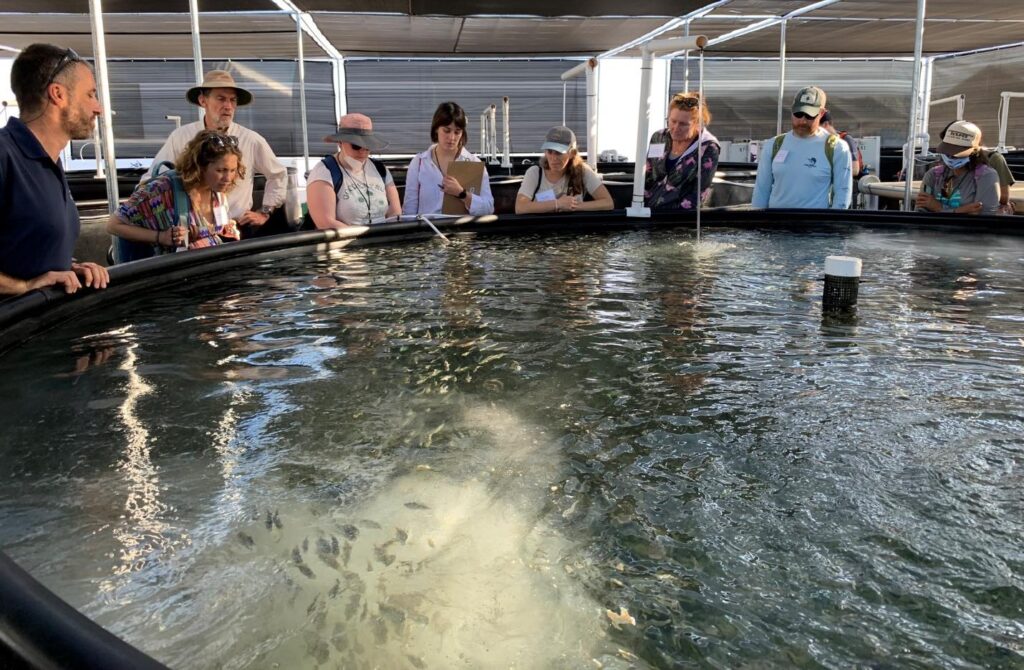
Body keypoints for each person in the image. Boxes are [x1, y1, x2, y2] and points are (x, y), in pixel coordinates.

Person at [0, 43, 109, 296]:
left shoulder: (51, 161)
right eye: (90, 95)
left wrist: (70, 268)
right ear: (58, 94)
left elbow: (22, 248)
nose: (99, 108)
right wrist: (24, 288)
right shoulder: (5, 155)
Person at [143, 70, 286, 233]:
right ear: (203, 100)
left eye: (233, 100)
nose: (228, 106)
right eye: (221, 98)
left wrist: (265, 212)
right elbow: (152, 179)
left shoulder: (250, 139)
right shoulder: (181, 137)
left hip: (237, 229)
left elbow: (278, 175)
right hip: (194, 232)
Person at [107, 130, 244, 250]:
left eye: (233, 170)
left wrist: (225, 228)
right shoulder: (161, 190)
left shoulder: (218, 192)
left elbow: (211, 230)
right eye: (221, 170)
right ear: (200, 166)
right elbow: (113, 225)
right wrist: (160, 237)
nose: (228, 178)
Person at [752, 86, 852, 210]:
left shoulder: (836, 148)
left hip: (814, 227)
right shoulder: (774, 145)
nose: (802, 121)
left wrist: (831, 227)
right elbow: (761, 193)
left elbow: (842, 196)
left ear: (821, 113)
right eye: (798, 114)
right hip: (776, 227)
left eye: (809, 115)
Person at [306, 113, 401, 228]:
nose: (362, 151)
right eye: (356, 145)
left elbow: (395, 213)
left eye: (367, 145)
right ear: (340, 142)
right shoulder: (324, 172)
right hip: (345, 242)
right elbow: (326, 223)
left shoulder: (380, 169)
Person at [402, 102, 494, 216]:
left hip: (462, 231)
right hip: (428, 231)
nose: (452, 137)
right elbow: (409, 212)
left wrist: (462, 194)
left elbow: (489, 208)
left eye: (457, 132)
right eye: (446, 130)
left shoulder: (474, 163)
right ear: (436, 129)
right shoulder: (419, 163)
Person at [644, 92, 720, 211]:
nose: (675, 128)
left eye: (683, 124)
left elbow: (698, 194)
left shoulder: (708, 147)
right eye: (673, 121)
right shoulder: (658, 138)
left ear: (697, 124)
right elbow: (647, 177)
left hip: (679, 219)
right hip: (648, 213)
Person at [515, 126, 613, 214]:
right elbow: (520, 207)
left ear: (572, 153)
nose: (553, 158)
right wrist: (558, 204)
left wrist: (574, 206)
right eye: (549, 151)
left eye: (558, 152)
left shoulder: (583, 171)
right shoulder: (534, 173)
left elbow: (608, 203)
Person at [916, 120, 1001, 215]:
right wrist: (960, 211)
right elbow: (921, 212)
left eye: (957, 153)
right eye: (948, 151)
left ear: (974, 151)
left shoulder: (987, 176)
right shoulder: (933, 175)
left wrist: (939, 208)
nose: (951, 156)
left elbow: (985, 217)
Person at [937, 120, 1015, 215]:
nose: (951, 154)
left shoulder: (993, 161)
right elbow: (945, 195)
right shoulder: (940, 168)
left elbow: (1003, 197)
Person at [820, 110, 863, 179]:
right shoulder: (820, 142)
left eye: (816, 128)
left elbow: (855, 170)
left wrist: (824, 174)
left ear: (825, 124)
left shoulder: (846, 140)